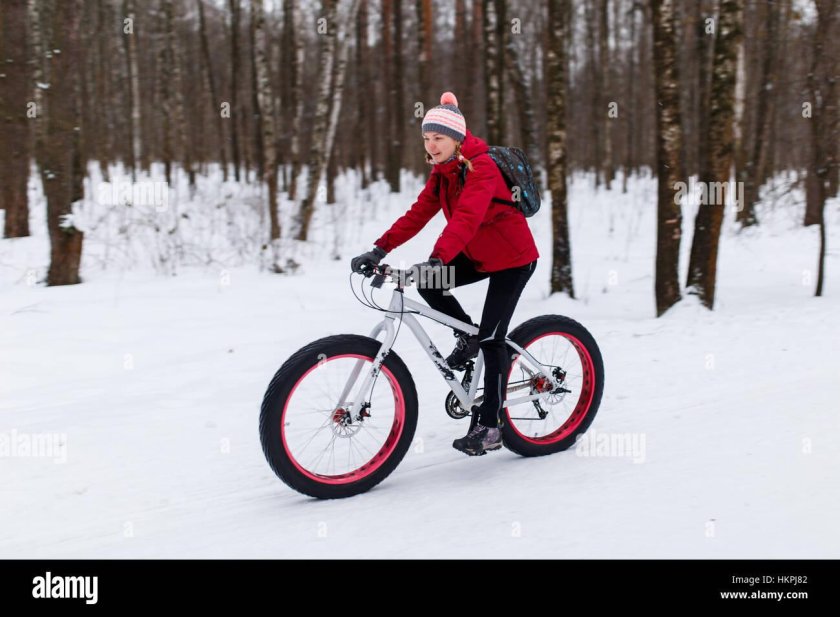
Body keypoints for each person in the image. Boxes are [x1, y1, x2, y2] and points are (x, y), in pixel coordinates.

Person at [351, 92, 539, 456]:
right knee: (424, 282)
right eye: (426, 138)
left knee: (492, 339)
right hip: (477, 257)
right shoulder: (443, 173)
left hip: (513, 261)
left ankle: (490, 425)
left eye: (438, 137)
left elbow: (467, 217)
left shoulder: (482, 168)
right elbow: (418, 214)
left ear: (457, 139)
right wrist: (380, 248)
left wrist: (438, 258)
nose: (431, 145)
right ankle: (465, 338)